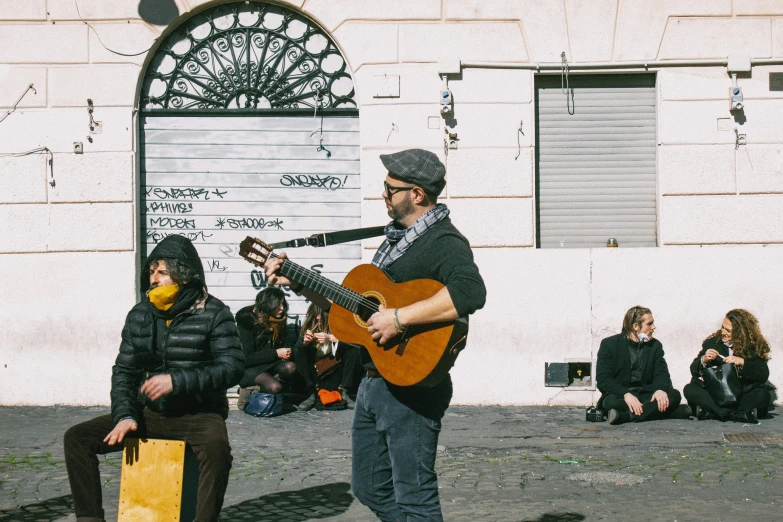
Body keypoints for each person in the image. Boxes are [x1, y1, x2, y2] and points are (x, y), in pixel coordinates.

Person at [264, 149, 486, 521]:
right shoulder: (397, 240)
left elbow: (470, 292)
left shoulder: (443, 241)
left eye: (390, 188)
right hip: (373, 382)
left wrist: (399, 318)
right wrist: (298, 281)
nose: (383, 194)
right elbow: (355, 309)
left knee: (415, 496)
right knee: (368, 486)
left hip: (411, 387)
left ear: (417, 194)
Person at [63, 235, 245, 522]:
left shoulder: (214, 312)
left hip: (198, 413)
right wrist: (124, 414)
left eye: (162, 272)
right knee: (77, 438)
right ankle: (90, 518)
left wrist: (177, 380)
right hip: (149, 412)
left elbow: (232, 367)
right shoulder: (140, 314)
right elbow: (125, 370)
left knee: (217, 450)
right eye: (151, 272)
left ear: (182, 275)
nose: (154, 279)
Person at [597, 306, 692, 425]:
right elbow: (603, 379)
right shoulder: (609, 344)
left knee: (674, 395)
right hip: (623, 397)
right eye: (649, 324)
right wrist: (625, 394)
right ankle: (672, 412)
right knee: (609, 402)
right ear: (635, 326)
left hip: (647, 395)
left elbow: (661, 373)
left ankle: (628, 416)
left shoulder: (655, 346)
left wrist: (660, 389)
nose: (653, 327)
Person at [683, 309, 772, 422]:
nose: (723, 332)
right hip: (717, 394)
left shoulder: (751, 347)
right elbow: (694, 370)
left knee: (762, 395)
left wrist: (742, 362)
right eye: (723, 328)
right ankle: (736, 415)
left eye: (728, 330)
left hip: (740, 396)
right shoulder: (712, 343)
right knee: (690, 389)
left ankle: (714, 413)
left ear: (739, 333)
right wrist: (703, 359)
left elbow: (763, 374)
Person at [235, 287, 298, 410]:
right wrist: (276, 353)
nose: (282, 308)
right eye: (278, 305)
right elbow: (246, 358)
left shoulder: (277, 319)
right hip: (250, 367)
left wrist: (286, 350)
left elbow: (284, 341)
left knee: (290, 367)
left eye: (283, 304)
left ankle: (266, 385)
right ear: (268, 304)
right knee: (275, 387)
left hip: (269, 363)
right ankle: (249, 392)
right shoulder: (247, 322)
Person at [292, 303, 362, 411]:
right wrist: (304, 342)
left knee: (354, 349)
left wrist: (332, 338)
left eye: (322, 321)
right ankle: (311, 393)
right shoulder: (309, 329)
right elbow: (297, 350)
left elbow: (356, 344)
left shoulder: (339, 328)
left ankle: (344, 391)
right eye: (317, 321)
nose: (319, 324)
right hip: (317, 372)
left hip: (336, 370)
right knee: (299, 350)